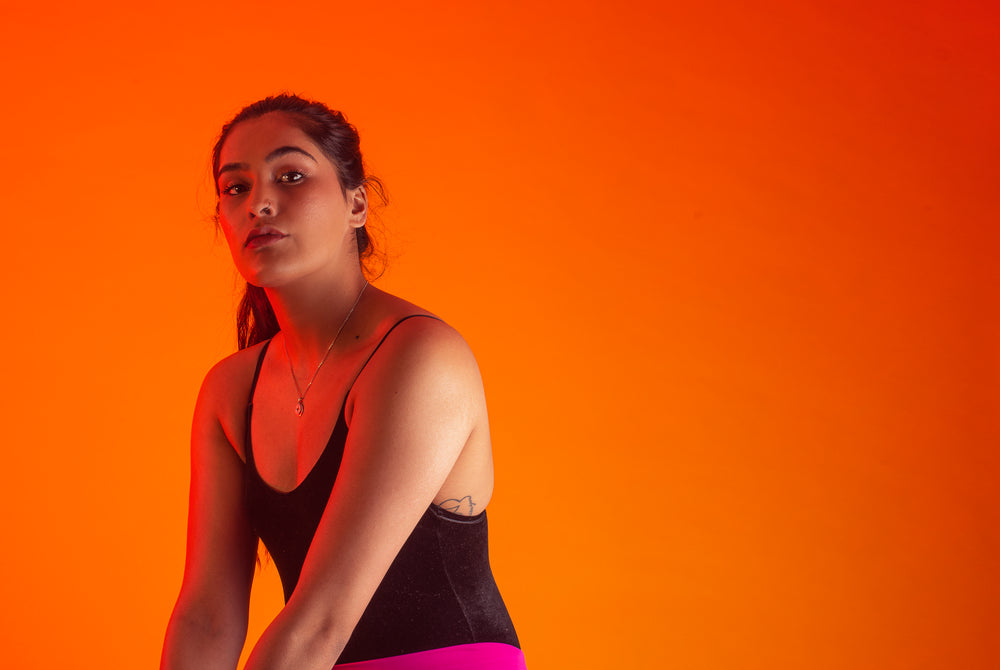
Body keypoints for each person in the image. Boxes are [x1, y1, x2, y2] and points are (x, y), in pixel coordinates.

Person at [160, 94, 525, 670]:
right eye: (236, 187)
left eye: (292, 175)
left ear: (356, 204)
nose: (260, 204)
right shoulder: (229, 392)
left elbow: (323, 618)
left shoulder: (419, 357)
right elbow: (205, 615)